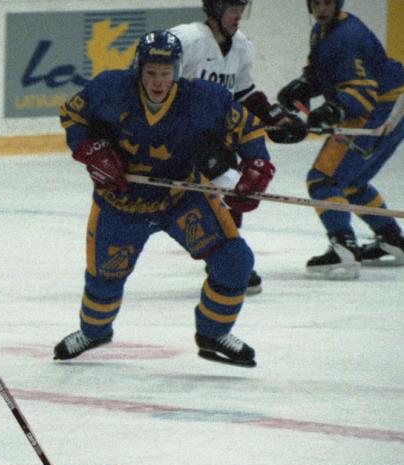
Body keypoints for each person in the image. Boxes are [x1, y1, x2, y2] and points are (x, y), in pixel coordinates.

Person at [54, 30, 276, 367]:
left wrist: (256, 165)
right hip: (120, 204)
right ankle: (94, 332)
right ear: (138, 70)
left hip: (181, 198)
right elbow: (73, 116)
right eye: (151, 73)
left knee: (235, 262)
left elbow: (248, 128)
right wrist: (91, 150)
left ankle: (213, 333)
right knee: (104, 280)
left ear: (178, 70)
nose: (158, 81)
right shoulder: (110, 89)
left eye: (165, 72)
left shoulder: (202, 98)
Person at [170, 0, 308, 295]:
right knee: (224, 189)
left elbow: (244, 92)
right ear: (215, 8)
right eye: (233, 8)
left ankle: (225, 260)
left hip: (215, 139)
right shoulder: (186, 40)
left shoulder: (242, 46)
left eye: (241, 7)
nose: (239, 15)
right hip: (178, 139)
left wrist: (275, 117)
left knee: (234, 193)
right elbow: (149, 83)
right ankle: (226, 260)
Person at [277, 0, 404, 279]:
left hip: (379, 111)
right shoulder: (322, 31)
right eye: (316, 3)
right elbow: (326, 72)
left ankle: (344, 248)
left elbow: (362, 93)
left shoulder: (347, 35)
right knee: (351, 181)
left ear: (338, 3)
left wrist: (336, 109)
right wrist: (305, 85)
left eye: (327, 3)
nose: (321, 9)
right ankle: (392, 239)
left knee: (323, 180)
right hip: (392, 106)